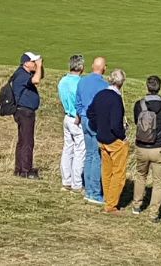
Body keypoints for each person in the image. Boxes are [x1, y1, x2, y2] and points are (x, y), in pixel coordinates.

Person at [132, 75, 161, 222]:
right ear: (159, 88)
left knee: (140, 175)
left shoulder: (139, 104)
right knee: (158, 182)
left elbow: (136, 120)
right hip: (159, 148)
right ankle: (153, 213)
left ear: (147, 87)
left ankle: (136, 205)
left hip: (142, 146)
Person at [88, 68, 129, 214]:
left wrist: (99, 126)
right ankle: (111, 204)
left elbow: (90, 112)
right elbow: (115, 124)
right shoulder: (116, 99)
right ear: (121, 82)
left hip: (102, 137)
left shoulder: (101, 94)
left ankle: (108, 198)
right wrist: (122, 136)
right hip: (114, 139)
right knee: (118, 172)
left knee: (107, 171)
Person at [76, 57, 108, 205]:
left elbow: (78, 102)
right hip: (95, 121)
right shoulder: (103, 85)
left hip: (83, 119)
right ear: (104, 68)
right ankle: (94, 192)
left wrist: (81, 114)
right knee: (95, 156)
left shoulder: (82, 81)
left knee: (89, 154)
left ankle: (88, 188)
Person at [11, 52, 43, 179]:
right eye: (33, 62)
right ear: (26, 63)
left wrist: (39, 66)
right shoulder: (22, 75)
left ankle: (19, 169)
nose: (35, 64)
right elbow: (36, 80)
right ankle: (25, 170)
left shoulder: (22, 73)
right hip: (25, 112)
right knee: (27, 141)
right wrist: (39, 66)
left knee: (23, 140)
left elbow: (39, 76)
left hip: (23, 111)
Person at [58, 55, 86, 193]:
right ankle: (76, 184)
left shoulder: (63, 81)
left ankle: (66, 180)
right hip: (77, 119)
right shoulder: (80, 83)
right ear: (81, 67)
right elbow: (81, 102)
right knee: (80, 151)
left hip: (67, 116)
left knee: (68, 149)